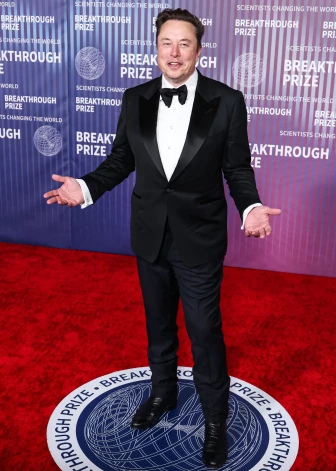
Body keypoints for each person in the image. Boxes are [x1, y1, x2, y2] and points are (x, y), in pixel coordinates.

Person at [44, 8, 281, 468]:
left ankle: (215, 421)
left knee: (204, 331)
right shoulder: (135, 98)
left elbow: (236, 167)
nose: (174, 53)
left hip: (199, 237)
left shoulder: (227, 101)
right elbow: (120, 161)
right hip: (150, 234)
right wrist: (86, 187)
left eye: (184, 44)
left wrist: (250, 207)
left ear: (198, 49)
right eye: (166, 43)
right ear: (156, 48)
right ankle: (163, 395)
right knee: (158, 328)